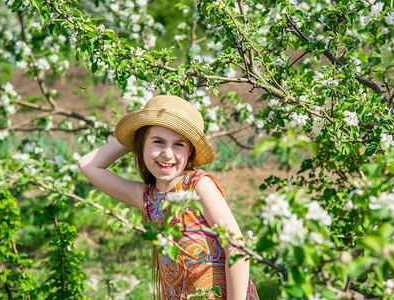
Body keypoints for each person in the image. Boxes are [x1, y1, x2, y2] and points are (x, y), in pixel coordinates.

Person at [78, 95, 259, 299]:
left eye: (179, 144)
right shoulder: (147, 198)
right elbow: (88, 165)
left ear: (190, 151)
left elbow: (237, 249)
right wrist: (135, 135)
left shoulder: (198, 185)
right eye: (158, 142)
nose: (167, 154)